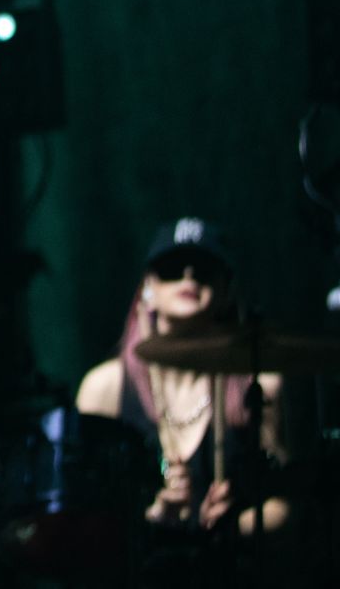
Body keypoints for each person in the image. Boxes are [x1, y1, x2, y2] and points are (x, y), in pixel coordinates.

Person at [75, 219, 288, 540]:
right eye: (171, 268)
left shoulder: (259, 385)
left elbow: (288, 503)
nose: (188, 275)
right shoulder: (105, 388)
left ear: (226, 290)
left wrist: (234, 526)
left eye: (204, 269)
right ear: (147, 287)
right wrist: (148, 520)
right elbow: (80, 517)